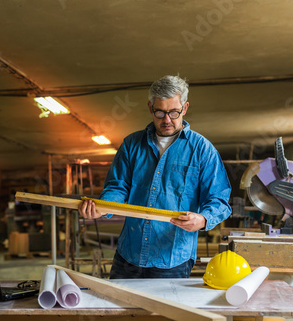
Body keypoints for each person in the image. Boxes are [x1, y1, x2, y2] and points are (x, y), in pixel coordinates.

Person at [78, 75, 232, 279]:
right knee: (118, 310)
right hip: (129, 254)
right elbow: (117, 187)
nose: (167, 120)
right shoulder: (131, 144)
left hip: (172, 258)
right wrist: (101, 208)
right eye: (160, 112)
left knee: (163, 312)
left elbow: (219, 200)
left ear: (185, 108)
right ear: (150, 108)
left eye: (174, 112)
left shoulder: (202, 149)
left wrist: (203, 219)